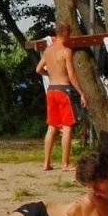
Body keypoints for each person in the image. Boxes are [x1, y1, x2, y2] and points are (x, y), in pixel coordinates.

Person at [36, 22, 82, 171]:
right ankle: (65, 163)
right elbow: (72, 75)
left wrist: (50, 75)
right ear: (66, 33)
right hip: (64, 90)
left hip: (51, 90)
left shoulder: (48, 51)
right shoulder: (66, 51)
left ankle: (46, 163)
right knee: (67, 127)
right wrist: (81, 93)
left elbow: (38, 69)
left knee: (52, 127)